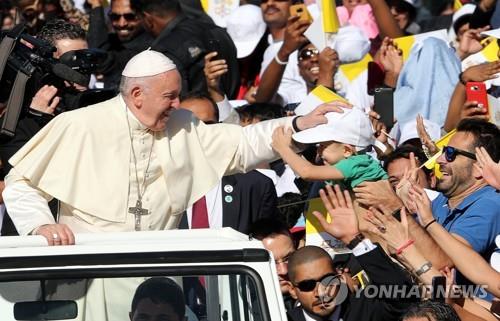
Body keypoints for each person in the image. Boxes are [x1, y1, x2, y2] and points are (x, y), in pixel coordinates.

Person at [2, 49, 349, 245]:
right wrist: (40, 226)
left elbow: (243, 144)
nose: (177, 103)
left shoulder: (183, 126)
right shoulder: (78, 126)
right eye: (169, 96)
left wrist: (299, 123)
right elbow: (21, 184)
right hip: (89, 268)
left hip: (159, 273)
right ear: (137, 95)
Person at [286, 185, 417, 321]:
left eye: (328, 280)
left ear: (340, 278)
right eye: (307, 285)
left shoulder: (364, 309)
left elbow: (405, 299)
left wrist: (354, 240)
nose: (321, 292)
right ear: (292, 290)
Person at [131, 0, 239, 98]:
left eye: (139, 19)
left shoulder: (164, 51)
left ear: (148, 19)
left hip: (193, 118)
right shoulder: (220, 32)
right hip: (230, 115)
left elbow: (171, 102)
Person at [271, 108, 387, 188]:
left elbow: (307, 172)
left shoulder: (355, 163)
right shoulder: (349, 164)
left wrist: (284, 148)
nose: (318, 151)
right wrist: (291, 154)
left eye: (323, 146)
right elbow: (307, 173)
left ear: (346, 151)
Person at [86, 0, 153, 89]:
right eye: (115, 17)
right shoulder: (111, 40)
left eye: (130, 16)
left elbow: (99, 58)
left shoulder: (153, 46)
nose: (122, 23)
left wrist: (96, 6)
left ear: (145, 16)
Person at [248, 217, 297, 310]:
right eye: (272, 262)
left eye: (288, 258)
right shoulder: (243, 308)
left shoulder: (319, 291)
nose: (284, 271)